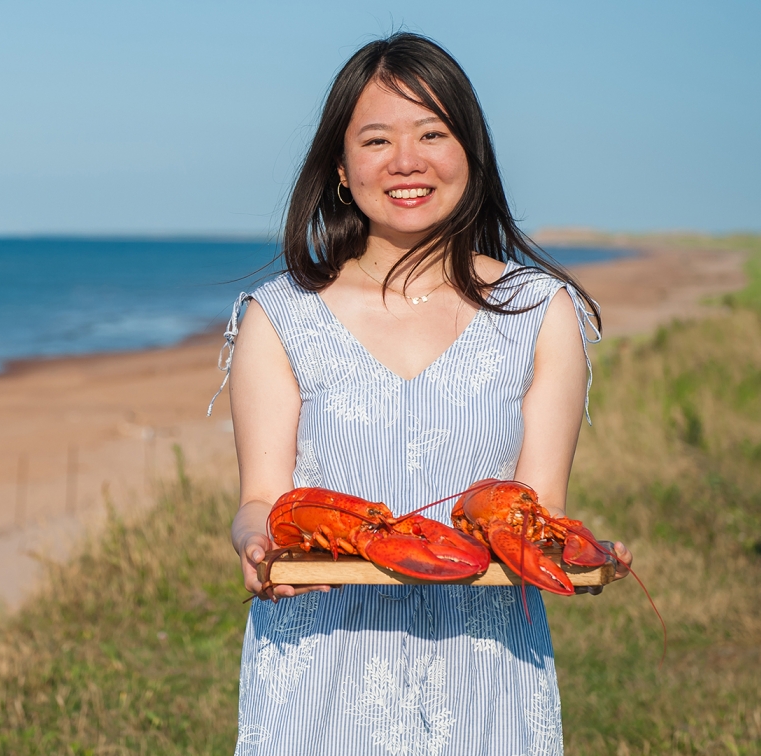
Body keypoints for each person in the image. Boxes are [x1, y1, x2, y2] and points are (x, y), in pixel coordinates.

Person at [219, 33, 634, 755]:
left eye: (432, 134)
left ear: (470, 153)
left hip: (487, 670)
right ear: (342, 170)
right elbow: (263, 500)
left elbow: (539, 509)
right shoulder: (277, 315)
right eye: (376, 139)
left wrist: (583, 550)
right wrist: (254, 542)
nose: (406, 162)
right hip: (321, 670)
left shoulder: (541, 310)